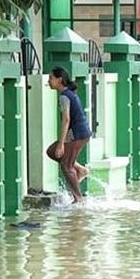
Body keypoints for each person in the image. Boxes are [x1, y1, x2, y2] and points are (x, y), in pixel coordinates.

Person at [45, 66, 93, 203]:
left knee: (66, 166)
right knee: (51, 151)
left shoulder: (65, 96)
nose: (48, 81)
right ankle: (80, 170)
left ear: (59, 80)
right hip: (80, 133)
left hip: (77, 134)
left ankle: (78, 199)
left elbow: (66, 120)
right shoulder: (68, 94)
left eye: (51, 78)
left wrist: (61, 144)